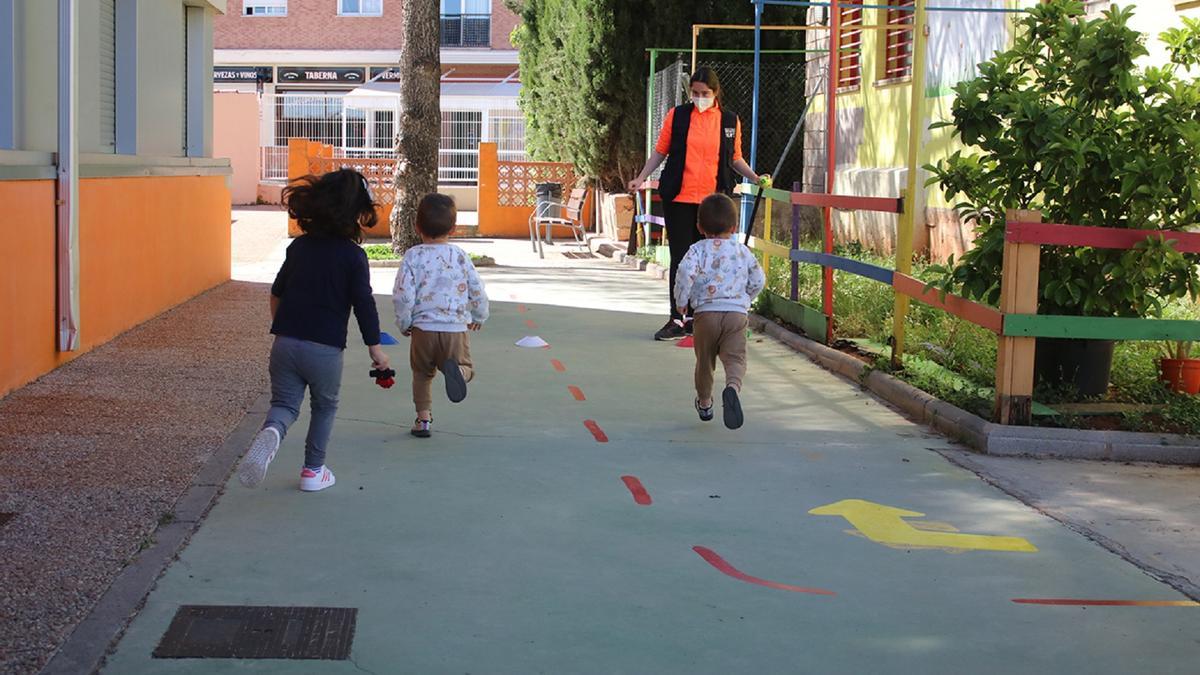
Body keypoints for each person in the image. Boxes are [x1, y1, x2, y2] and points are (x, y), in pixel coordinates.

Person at [238, 169, 389, 492]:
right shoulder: (353, 257)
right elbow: (364, 304)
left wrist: (281, 328)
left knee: (285, 405)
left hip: (285, 343)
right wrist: (375, 347)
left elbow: (277, 291)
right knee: (324, 406)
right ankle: (313, 471)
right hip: (325, 349)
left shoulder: (300, 248)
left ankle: (272, 433)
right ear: (357, 213)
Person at [628, 66, 765, 341]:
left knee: (710, 261)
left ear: (715, 93)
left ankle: (698, 317)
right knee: (681, 259)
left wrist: (755, 176)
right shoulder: (677, 117)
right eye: (694, 93)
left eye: (705, 93)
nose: (699, 98)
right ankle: (676, 318)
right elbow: (660, 152)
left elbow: (734, 158)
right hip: (679, 198)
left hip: (712, 202)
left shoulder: (728, 121)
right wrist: (641, 178)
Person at [392, 193, 489, 438]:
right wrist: (479, 315)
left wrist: (405, 322)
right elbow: (476, 287)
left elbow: (403, 294)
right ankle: (460, 373)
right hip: (455, 328)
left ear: (417, 226)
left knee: (422, 375)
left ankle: (423, 420)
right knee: (465, 365)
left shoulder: (413, 256)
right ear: (454, 228)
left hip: (423, 329)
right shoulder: (459, 255)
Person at [674, 193, 766, 430]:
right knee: (736, 358)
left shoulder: (696, 250)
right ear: (734, 227)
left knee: (705, 361)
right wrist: (746, 299)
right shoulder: (742, 251)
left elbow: (685, 274)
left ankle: (705, 403)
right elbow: (758, 279)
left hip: (706, 314)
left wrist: (681, 302)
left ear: (699, 227)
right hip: (736, 314)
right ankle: (732, 388)